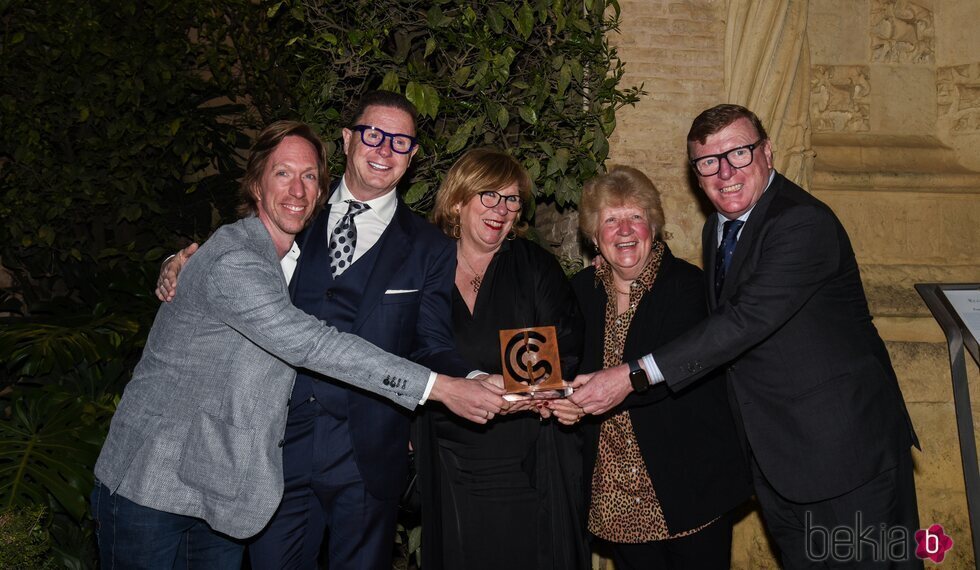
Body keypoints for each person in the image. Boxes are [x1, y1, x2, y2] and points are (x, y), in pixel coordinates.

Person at [92, 121, 504, 569]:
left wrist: (178, 261)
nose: (298, 189)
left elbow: (426, 336)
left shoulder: (292, 247)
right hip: (156, 478)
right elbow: (311, 342)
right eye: (283, 174)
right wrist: (440, 388)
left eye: (309, 176)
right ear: (255, 183)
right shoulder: (237, 257)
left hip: (226, 489)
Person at [570, 104, 921, 568]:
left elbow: (742, 322)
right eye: (708, 162)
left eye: (738, 153)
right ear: (696, 174)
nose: (725, 172)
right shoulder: (720, 227)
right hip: (777, 458)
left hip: (844, 455)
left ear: (767, 153)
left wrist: (632, 374)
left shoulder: (800, 222)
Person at [545, 165, 752, 568]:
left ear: (653, 228)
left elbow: (682, 369)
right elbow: (567, 368)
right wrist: (566, 400)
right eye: (611, 220)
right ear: (593, 236)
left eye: (635, 217)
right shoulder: (579, 293)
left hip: (689, 484)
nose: (624, 230)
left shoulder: (690, 287)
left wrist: (596, 395)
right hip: (615, 492)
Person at [415, 148, 590, 570]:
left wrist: (530, 391)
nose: (502, 209)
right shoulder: (421, 266)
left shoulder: (533, 266)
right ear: (458, 201)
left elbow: (563, 343)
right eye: (489, 196)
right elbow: (408, 347)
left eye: (511, 199)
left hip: (524, 453)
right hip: (447, 454)